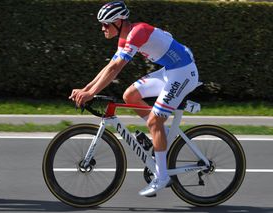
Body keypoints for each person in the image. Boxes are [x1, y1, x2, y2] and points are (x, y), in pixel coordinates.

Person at [69, 1, 199, 197]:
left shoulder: (137, 32)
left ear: (119, 21)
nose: (102, 28)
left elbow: (116, 68)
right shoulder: (125, 36)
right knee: (130, 95)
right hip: (171, 71)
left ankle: (162, 176)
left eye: (106, 24)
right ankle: (159, 134)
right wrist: (87, 89)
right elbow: (109, 66)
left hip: (183, 73)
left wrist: (90, 93)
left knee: (155, 120)